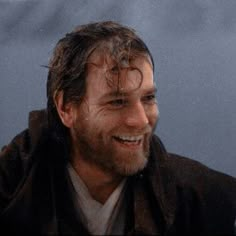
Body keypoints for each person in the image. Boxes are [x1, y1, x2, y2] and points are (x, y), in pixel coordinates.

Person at [0, 21, 235, 235]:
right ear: (66, 108)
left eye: (148, 98)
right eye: (117, 102)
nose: (141, 120)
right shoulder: (10, 190)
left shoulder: (206, 203)